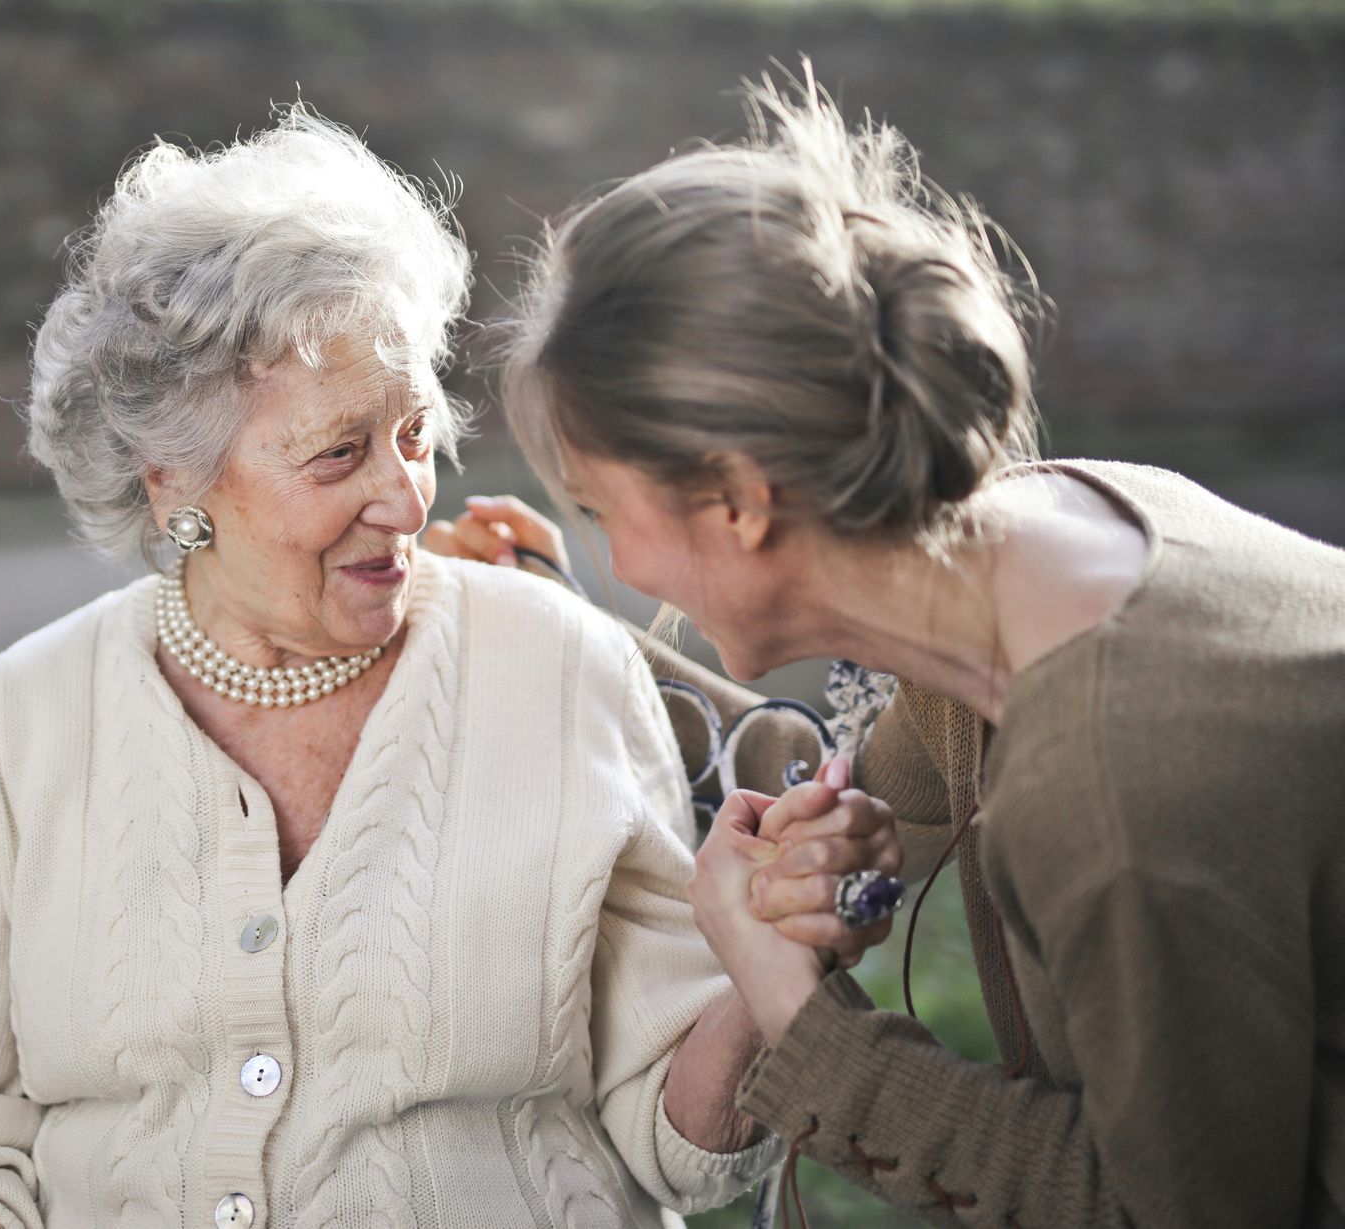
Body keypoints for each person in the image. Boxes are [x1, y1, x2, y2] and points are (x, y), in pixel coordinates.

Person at [0, 109, 896, 1229]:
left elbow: (683, 1148)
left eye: (415, 434)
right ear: (172, 482)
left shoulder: (558, 666)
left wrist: (764, 969)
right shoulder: (6, 726)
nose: (406, 496)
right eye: (339, 452)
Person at [464, 67, 1345, 1226]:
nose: (619, 562)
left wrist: (802, 1022)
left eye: (600, 514)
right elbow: (833, 781)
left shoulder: (1113, 787)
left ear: (734, 501)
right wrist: (549, 622)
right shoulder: (1049, 539)